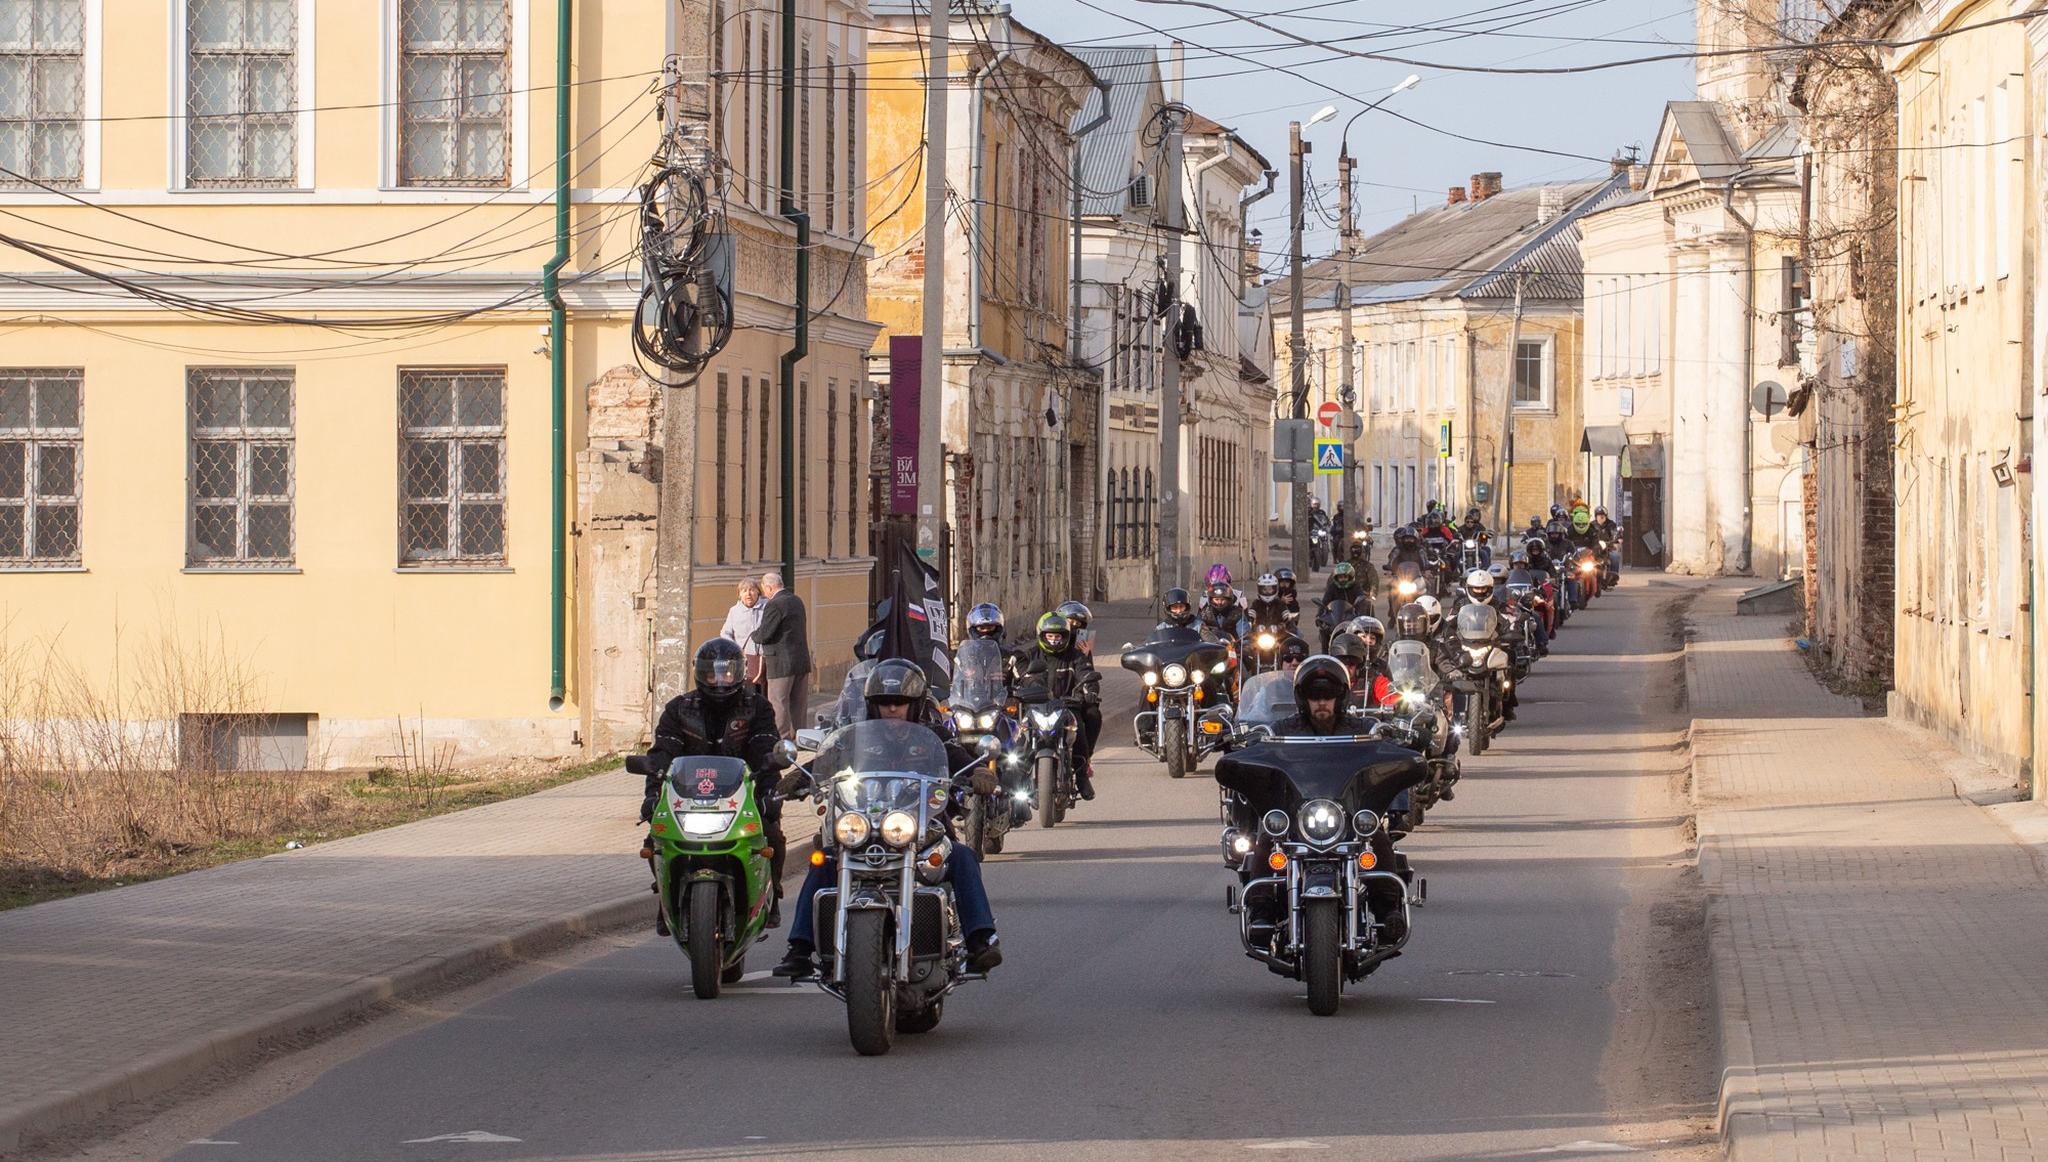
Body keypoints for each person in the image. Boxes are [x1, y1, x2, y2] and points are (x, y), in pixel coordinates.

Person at [774, 660, 1001, 979]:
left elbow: (956, 757)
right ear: (872, 705)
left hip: (920, 827)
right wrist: (799, 777)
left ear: (915, 704)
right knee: (822, 858)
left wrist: (977, 772)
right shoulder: (856, 738)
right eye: (884, 703)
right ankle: (799, 949)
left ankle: (981, 939)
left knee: (962, 857)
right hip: (863, 824)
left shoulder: (931, 737)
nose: (892, 709)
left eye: (900, 703)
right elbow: (829, 759)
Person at [644, 638, 789, 929]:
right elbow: (662, 753)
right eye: (713, 673)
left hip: (741, 793)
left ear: (740, 673)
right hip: (688, 797)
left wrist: (770, 793)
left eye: (727, 673)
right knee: (655, 839)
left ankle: (771, 893)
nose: (720, 680)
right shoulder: (679, 709)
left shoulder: (757, 707)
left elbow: (766, 749)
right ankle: (666, 897)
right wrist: (652, 795)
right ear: (700, 674)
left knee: (771, 835)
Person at [1258, 658, 1406, 939]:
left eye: (1328, 696)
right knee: (1269, 832)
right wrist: (1240, 740)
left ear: (1341, 697)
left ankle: (1388, 911)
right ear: (1303, 699)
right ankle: (1261, 912)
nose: (1321, 703)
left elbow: (1385, 742)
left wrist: (1406, 736)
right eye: (1315, 696)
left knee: (1375, 834)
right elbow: (1259, 744)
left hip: (1347, 813)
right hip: (1298, 813)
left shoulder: (1362, 728)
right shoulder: (1282, 730)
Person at [1017, 612, 1101, 800]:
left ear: (1066, 636)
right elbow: (1019, 676)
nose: (1054, 640)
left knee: (1079, 728)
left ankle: (1081, 775)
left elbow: (1086, 673)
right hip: (1037, 707)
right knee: (1020, 735)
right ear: (1042, 635)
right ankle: (1017, 778)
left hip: (1067, 707)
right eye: (1050, 636)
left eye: (1058, 636)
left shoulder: (1076, 656)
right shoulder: (1030, 655)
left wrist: (1089, 689)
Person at [753, 571, 813, 738]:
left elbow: (765, 634)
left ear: (769, 587)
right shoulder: (796, 600)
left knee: (778, 703)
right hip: (800, 660)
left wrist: (753, 635)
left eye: (764, 589)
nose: (764, 593)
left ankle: (781, 740)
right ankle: (802, 739)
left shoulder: (774, 604)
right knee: (799, 704)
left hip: (780, 662)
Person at [719, 578, 767, 690]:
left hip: (764, 658)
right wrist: (735, 648)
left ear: (758, 592)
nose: (748, 594)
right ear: (739, 594)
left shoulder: (767, 607)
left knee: (764, 692)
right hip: (743, 659)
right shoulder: (734, 611)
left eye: (752, 590)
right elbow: (725, 633)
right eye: (744, 591)